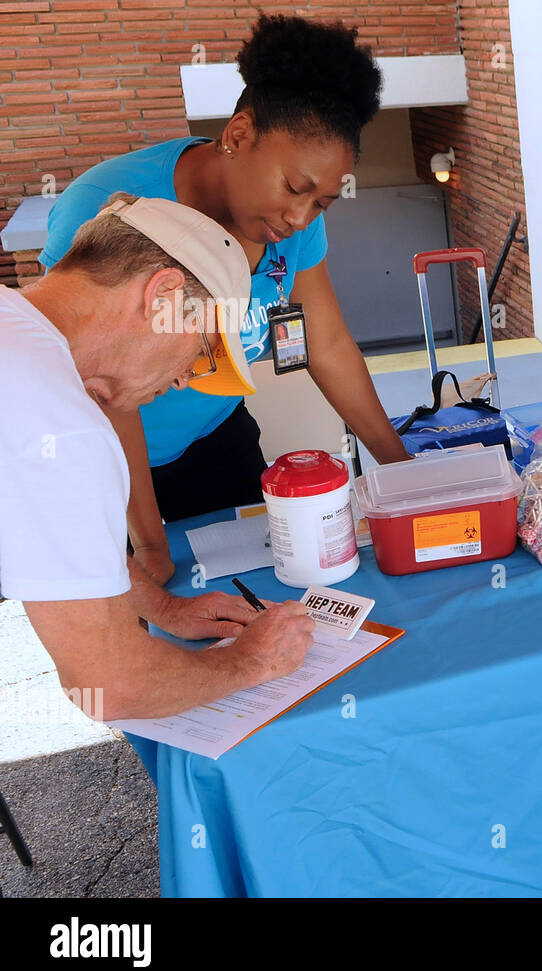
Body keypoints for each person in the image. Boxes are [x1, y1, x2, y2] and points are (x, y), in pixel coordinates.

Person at [40, 14, 412, 587]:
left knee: (256, 592)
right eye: (294, 188)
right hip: (107, 460)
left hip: (214, 436)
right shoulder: (108, 207)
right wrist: (149, 539)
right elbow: (104, 389)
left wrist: (402, 473)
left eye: (323, 203)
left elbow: (326, 342)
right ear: (237, 136)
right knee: (146, 613)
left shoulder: (293, 225)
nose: (300, 217)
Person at [1, 194, 316, 721]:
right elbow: (109, 687)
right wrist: (252, 661)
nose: (187, 377)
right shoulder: (62, 424)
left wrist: (164, 608)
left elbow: (59, 540)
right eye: (201, 349)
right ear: (164, 296)